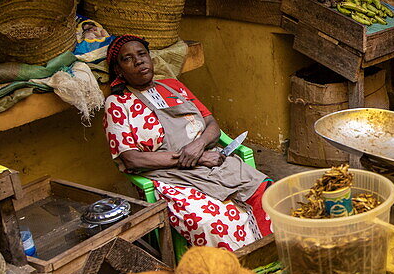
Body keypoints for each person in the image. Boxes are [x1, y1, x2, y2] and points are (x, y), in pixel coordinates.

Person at [103, 35, 271, 250]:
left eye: (142, 54)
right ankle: (233, 272)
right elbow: (132, 158)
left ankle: (271, 256)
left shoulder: (174, 86)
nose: (139, 61)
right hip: (169, 175)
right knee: (215, 222)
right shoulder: (117, 104)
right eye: (128, 59)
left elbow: (211, 123)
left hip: (212, 161)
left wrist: (199, 145)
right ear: (119, 70)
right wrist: (198, 157)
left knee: (268, 193)